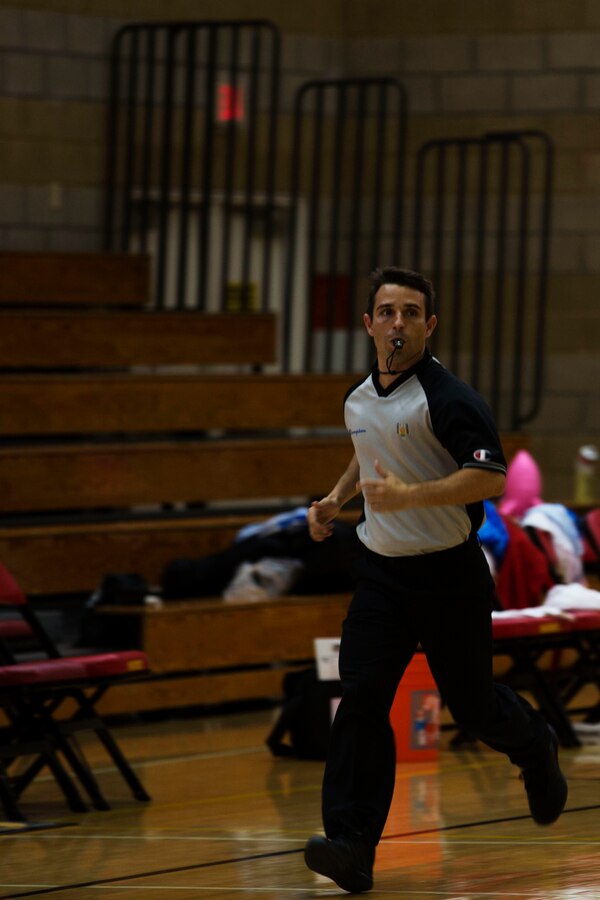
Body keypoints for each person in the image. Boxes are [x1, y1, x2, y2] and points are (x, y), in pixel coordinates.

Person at [303, 267, 568, 894]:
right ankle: (351, 844)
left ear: (430, 325)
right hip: (379, 576)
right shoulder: (359, 396)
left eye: (411, 312)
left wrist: (408, 498)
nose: (399, 322)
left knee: (474, 708)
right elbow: (368, 445)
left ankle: (534, 744)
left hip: (448, 575)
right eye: (387, 311)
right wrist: (338, 498)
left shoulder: (450, 399)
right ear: (369, 323)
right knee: (363, 698)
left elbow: (491, 478)